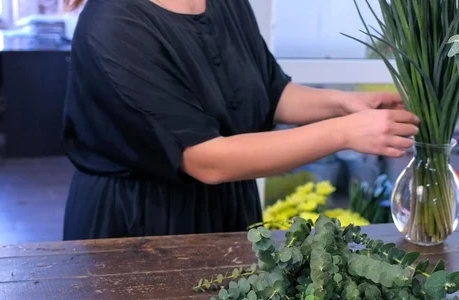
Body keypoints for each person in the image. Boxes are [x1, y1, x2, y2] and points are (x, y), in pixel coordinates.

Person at [62, 0, 420, 240]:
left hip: (228, 213)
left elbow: (270, 92)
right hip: (142, 227)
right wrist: (342, 132)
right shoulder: (112, 24)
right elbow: (206, 160)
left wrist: (347, 104)